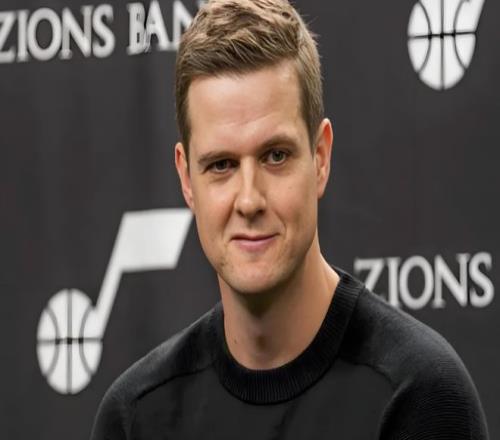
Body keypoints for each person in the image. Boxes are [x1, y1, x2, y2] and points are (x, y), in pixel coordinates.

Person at [90, 0, 489, 438]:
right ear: (186, 179)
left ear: (320, 157)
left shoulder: (421, 396)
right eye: (221, 165)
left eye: (275, 156)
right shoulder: (135, 418)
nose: (249, 200)